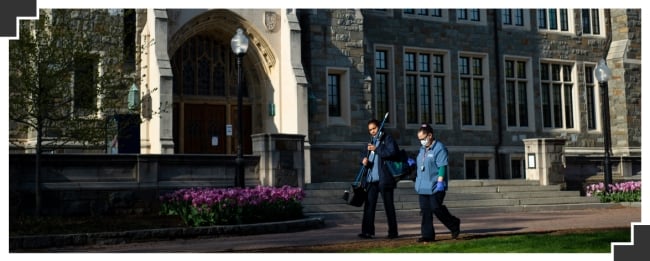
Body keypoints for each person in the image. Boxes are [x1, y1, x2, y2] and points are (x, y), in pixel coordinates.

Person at [414, 123, 461, 242]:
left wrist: (440, 181)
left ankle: (453, 224)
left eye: (423, 139)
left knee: (436, 207)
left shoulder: (439, 148)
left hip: (436, 185)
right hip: (423, 186)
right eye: (419, 139)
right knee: (425, 211)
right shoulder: (422, 149)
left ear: (430, 135)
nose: (421, 142)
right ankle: (428, 235)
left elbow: (442, 166)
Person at [358, 119, 399, 239]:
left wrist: (377, 149)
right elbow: (362, 154)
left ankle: (393, 232)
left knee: (388, 206)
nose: (372, 131)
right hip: (371, 180)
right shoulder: (370, 140)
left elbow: (393, 153)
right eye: (370, 130)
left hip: (384, 179)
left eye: (374, 128)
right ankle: (367, 231)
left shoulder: (387, 139)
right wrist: (363, 160)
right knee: (369, 206)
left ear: (379, 127)